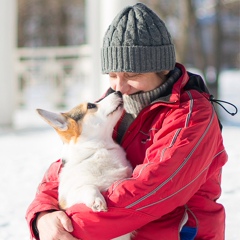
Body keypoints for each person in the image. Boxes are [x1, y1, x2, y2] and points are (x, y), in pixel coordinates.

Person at [26, 3, 230, 240]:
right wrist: (43, 216)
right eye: (113, 75)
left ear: (162, 69)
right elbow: (66, 169)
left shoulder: (191, 115)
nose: (119, 87)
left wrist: (67, 228)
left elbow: (152, 191)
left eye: (132, 75)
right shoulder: (115, 104)